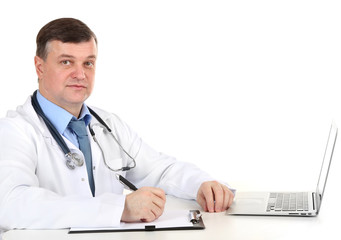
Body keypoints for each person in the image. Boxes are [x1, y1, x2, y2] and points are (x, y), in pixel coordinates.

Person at [0, 18, 234, 233]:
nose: (80, 74)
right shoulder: (14, 131)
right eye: (66, 62)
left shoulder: (107, 125)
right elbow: (11, 204)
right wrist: (119, 208)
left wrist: (202, 185)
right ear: (40, 67)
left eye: (88, 63)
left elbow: (159, 169)